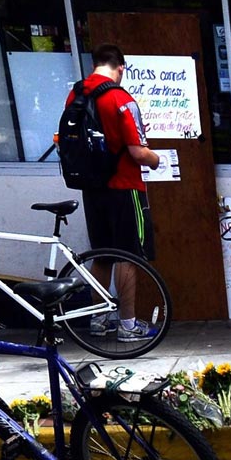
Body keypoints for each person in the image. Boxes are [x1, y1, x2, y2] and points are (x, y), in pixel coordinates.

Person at [74, 44, 160, 340]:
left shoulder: (75, 95)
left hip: (91, 188)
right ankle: (128, 325)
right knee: (128, 255)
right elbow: (138, 152)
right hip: (124, 187)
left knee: (102, 255)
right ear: (120, 67)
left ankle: (98, 321)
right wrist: (157, 159)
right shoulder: (120, 99)